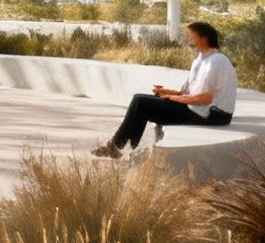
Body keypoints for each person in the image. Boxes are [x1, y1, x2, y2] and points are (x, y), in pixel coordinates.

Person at [92, 21, 237, 159]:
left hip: (213, 115)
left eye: (192, 36)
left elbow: (203, 99)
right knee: (139, 99)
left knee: (141, 103)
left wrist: (170, 98)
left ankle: (117, 147)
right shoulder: (201, 60)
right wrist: (166, 92)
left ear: (204, 39)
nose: (188, 40)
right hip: (199, 109)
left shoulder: (216, 62)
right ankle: (121, 147)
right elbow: (187, 92)